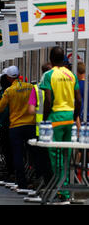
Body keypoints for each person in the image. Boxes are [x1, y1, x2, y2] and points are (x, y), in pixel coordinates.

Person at [39, 46, 81, 203]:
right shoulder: (71, 75)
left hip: (56, 118)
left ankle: (62, 191)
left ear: (50, 59)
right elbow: (78, 100)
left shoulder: (48, 75)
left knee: (55, 156)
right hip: (69, 118)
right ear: (64, 58)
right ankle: (66, 189)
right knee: (66, 155)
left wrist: (45, 119)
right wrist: (74, 116)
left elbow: (48, 100)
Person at [0, 66, 35, 189]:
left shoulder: (9, 91)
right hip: (31, 125)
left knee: (17, 154)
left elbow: (0, 108)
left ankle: (21, 182)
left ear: (8, 77)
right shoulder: (30, 87)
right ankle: (36, 179)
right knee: (32, 153)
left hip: (16, 126)